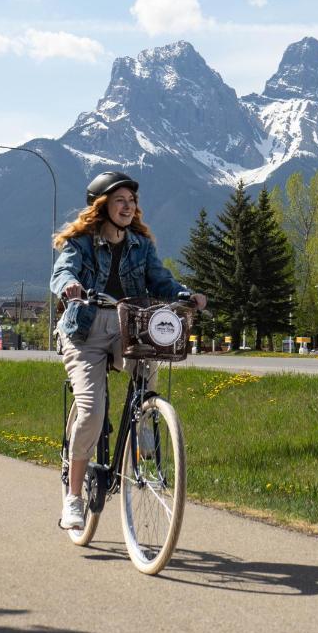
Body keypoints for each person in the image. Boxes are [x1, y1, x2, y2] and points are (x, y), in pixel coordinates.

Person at [51, 170, 206, 531]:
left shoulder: (140, 244)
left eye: (132, 200)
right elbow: (62, 272)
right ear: (102, 206)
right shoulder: (81, 242)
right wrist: (71, 285)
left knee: (152, 354)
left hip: (126, 326)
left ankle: (145, 423)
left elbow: (160, 280)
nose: (128, 206)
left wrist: (184, 294)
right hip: (85, 329)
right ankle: (74, 497)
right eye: (120, 200)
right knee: (91, 411)